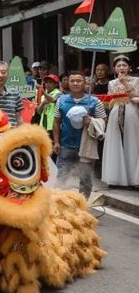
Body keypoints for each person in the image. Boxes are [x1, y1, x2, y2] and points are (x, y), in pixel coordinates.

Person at [52, 71, 106, 199]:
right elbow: (56, 121)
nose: (75, 83)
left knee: (86, 181)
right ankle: (58, 206)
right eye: (72, 80)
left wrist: (91, 121)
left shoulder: (94, 102)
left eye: (79, 80)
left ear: (85, 83)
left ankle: (83, 207)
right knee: (61, 178)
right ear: (67, 83)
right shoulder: (61, 100)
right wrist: (56, 142)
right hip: (65, 145)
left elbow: (104, 121)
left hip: (86, 147)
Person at [101, 55, 139, 187]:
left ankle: (134, 179)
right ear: (114, 69)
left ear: (129, 67)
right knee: (115, 142)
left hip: (131, 112)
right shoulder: (111, 83)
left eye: (124, 65)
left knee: (133, 142)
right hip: (116, 112)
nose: (121, 68)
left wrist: (125, 84)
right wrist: (107, 101)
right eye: (118, 66)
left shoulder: (136, 80)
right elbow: (111, 101)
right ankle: (116, 178)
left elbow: (136, 96)